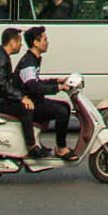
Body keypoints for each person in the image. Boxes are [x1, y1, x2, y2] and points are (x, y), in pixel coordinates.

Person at [15, 25, 75, 160]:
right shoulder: (28, 62)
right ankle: (61, 148)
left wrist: (57, 81)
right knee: (62, 111)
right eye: (45, 40)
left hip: (34, 100)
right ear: (35, 43)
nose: (47, 43)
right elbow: (34, 87)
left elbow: (37, 81)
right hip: (29, 103)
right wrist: (58, 88)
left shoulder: (34, 58)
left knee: (65, 106)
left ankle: (47, 144)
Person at [0, 26, 44, 154]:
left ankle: (35, 141)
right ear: (12, 42)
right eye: (19, 42)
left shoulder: (2, 56)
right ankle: (31, 146)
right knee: (26, 108)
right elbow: (2, 86)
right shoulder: (0, 59)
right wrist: (21, 98)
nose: (21, 45)